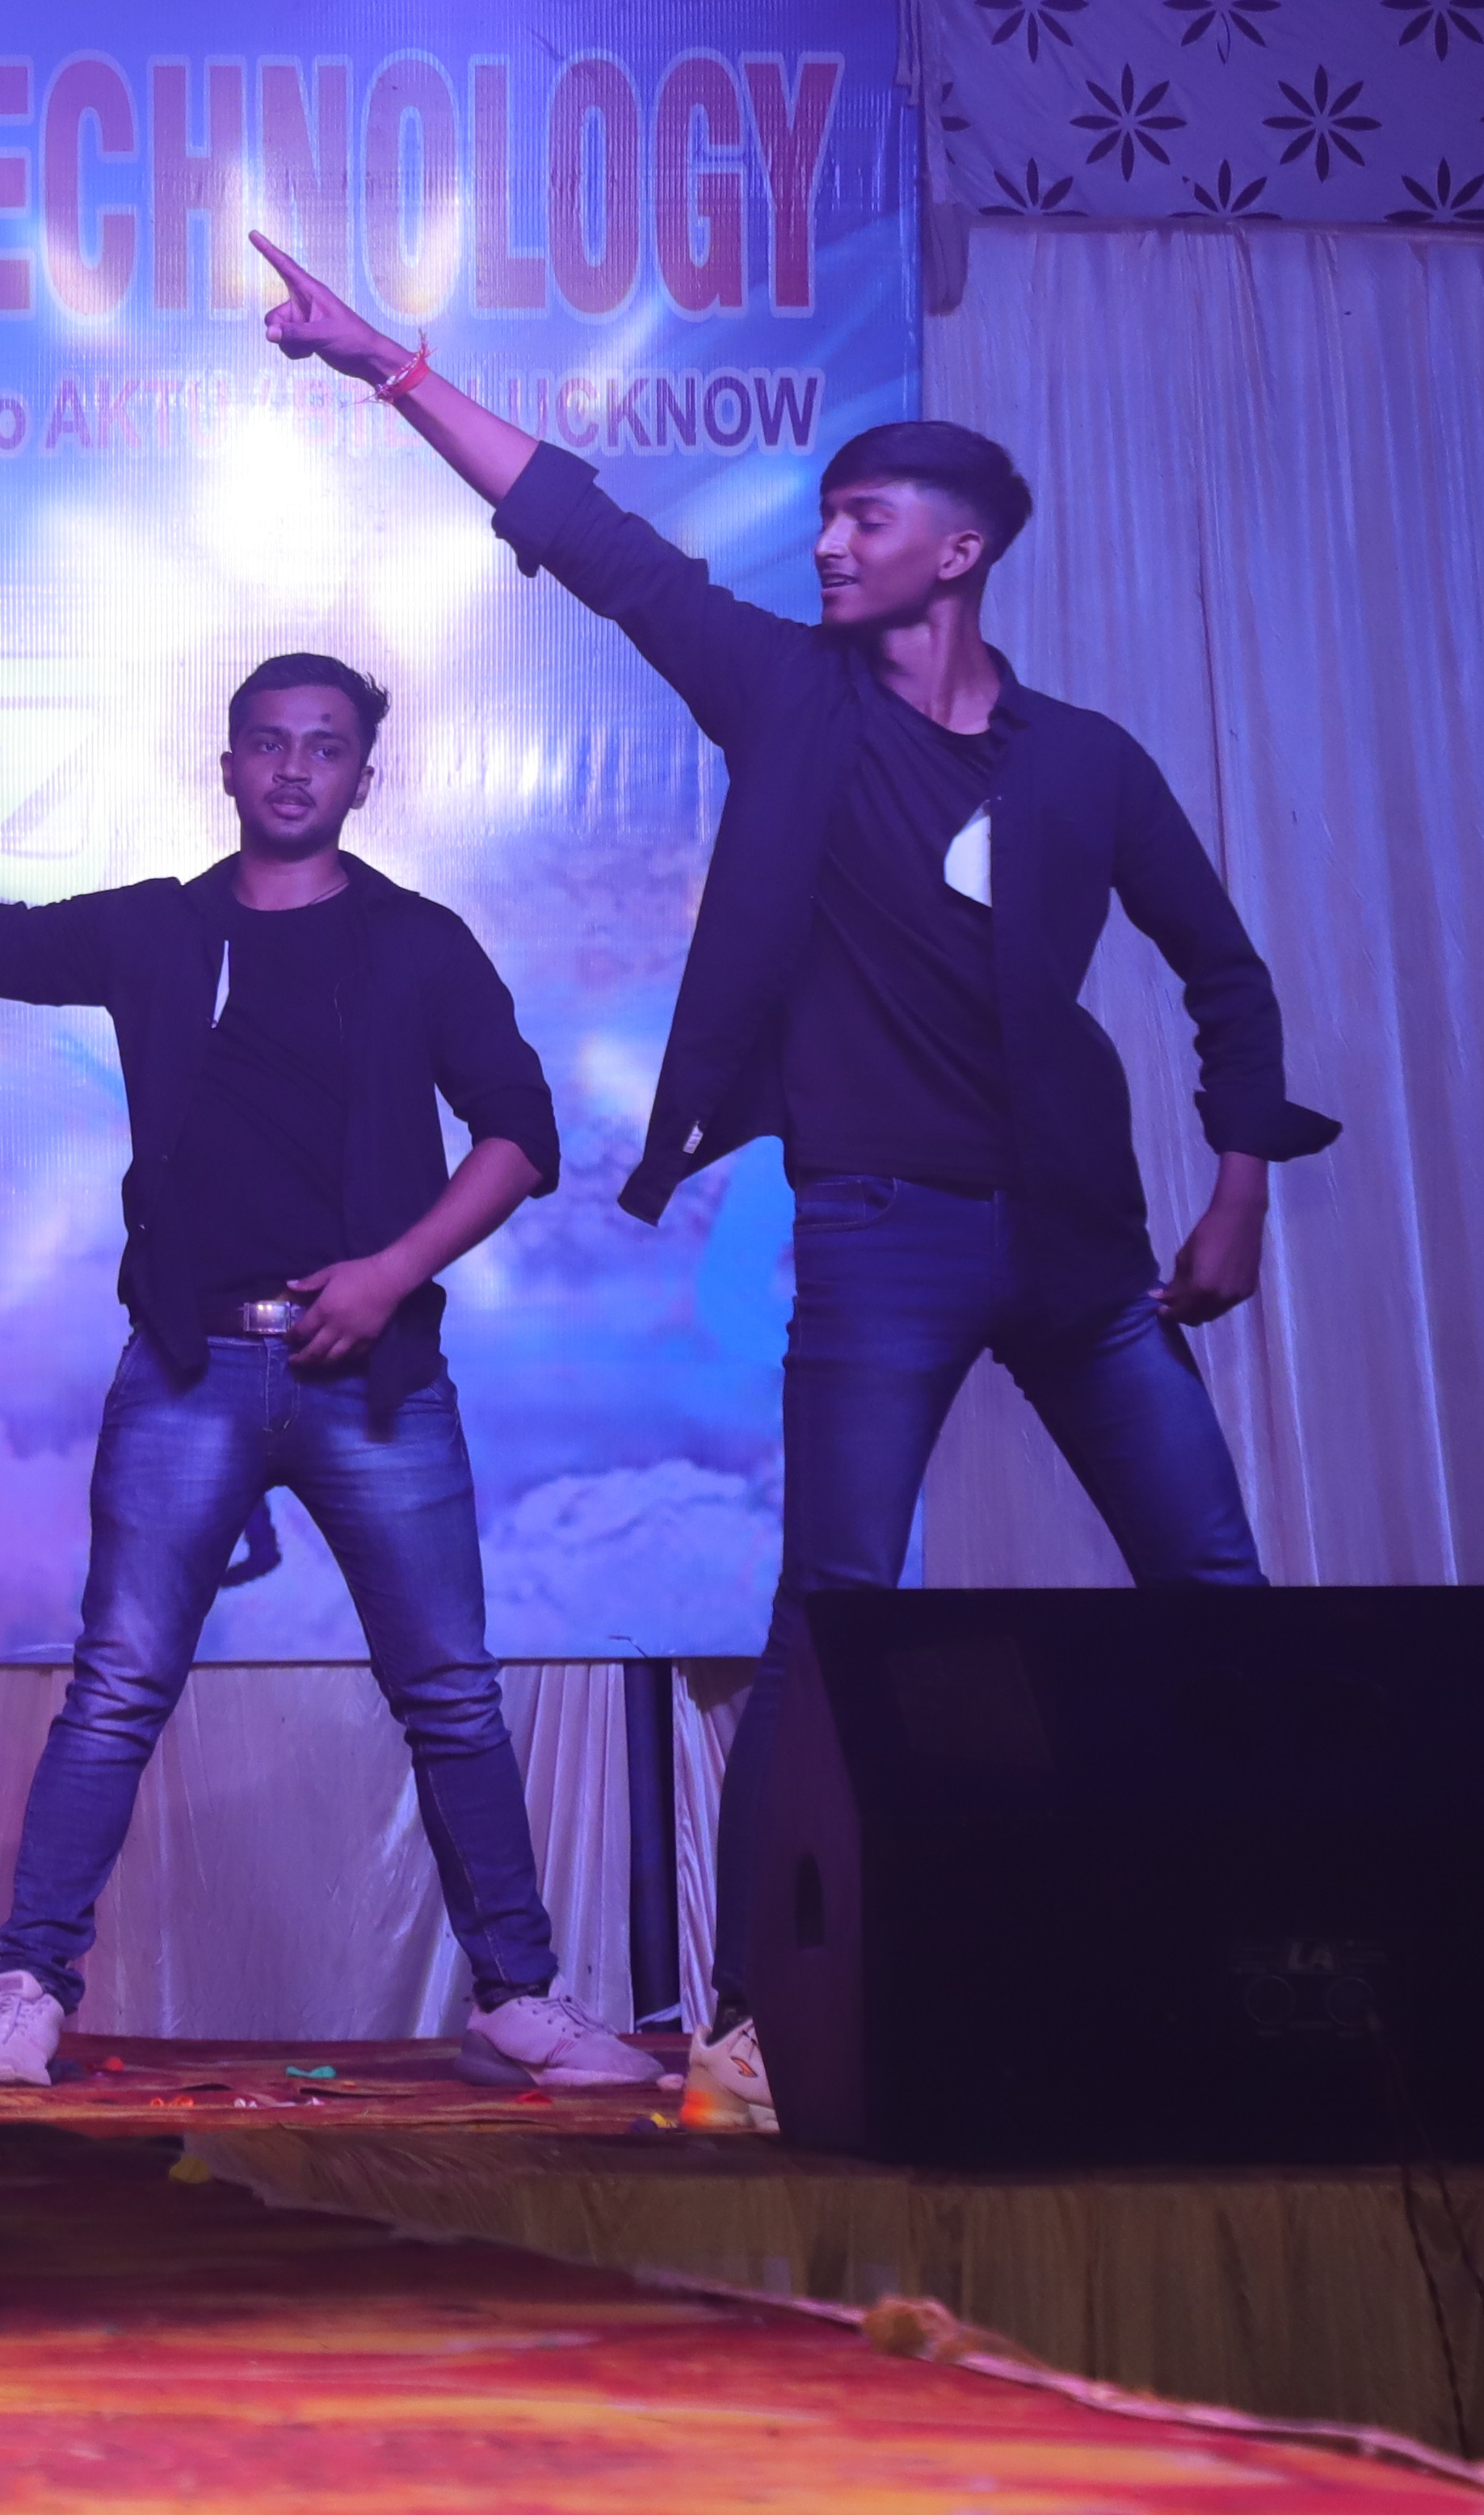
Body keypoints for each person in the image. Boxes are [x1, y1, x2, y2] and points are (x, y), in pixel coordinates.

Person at [252, 231, 1339, 2134]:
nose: (828, 545)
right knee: (831, 1616)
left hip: (1080, 1248)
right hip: (879, 1236)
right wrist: (388, 368)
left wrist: (1238, 1183)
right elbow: (600, 543)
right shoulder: (787, 695)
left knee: (1216, 1586)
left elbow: (1222, 973)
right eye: (825, 517)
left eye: (865, 521)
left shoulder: (1084, 766)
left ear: (959, 552)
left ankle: (1300, 1965)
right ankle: (750, 2024)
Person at [0, 632, 662, 2097]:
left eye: (325, 746)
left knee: (451, 1692)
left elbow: (523, 1134)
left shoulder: (418, 942)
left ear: (363, 777)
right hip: (191, 1367)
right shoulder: (159, 931)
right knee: (117, 1686)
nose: (294, 768)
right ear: (228, 765)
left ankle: (519, 1999)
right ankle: (27, 1989)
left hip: (376, 1379)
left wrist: (393, 1273)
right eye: (270, 741)